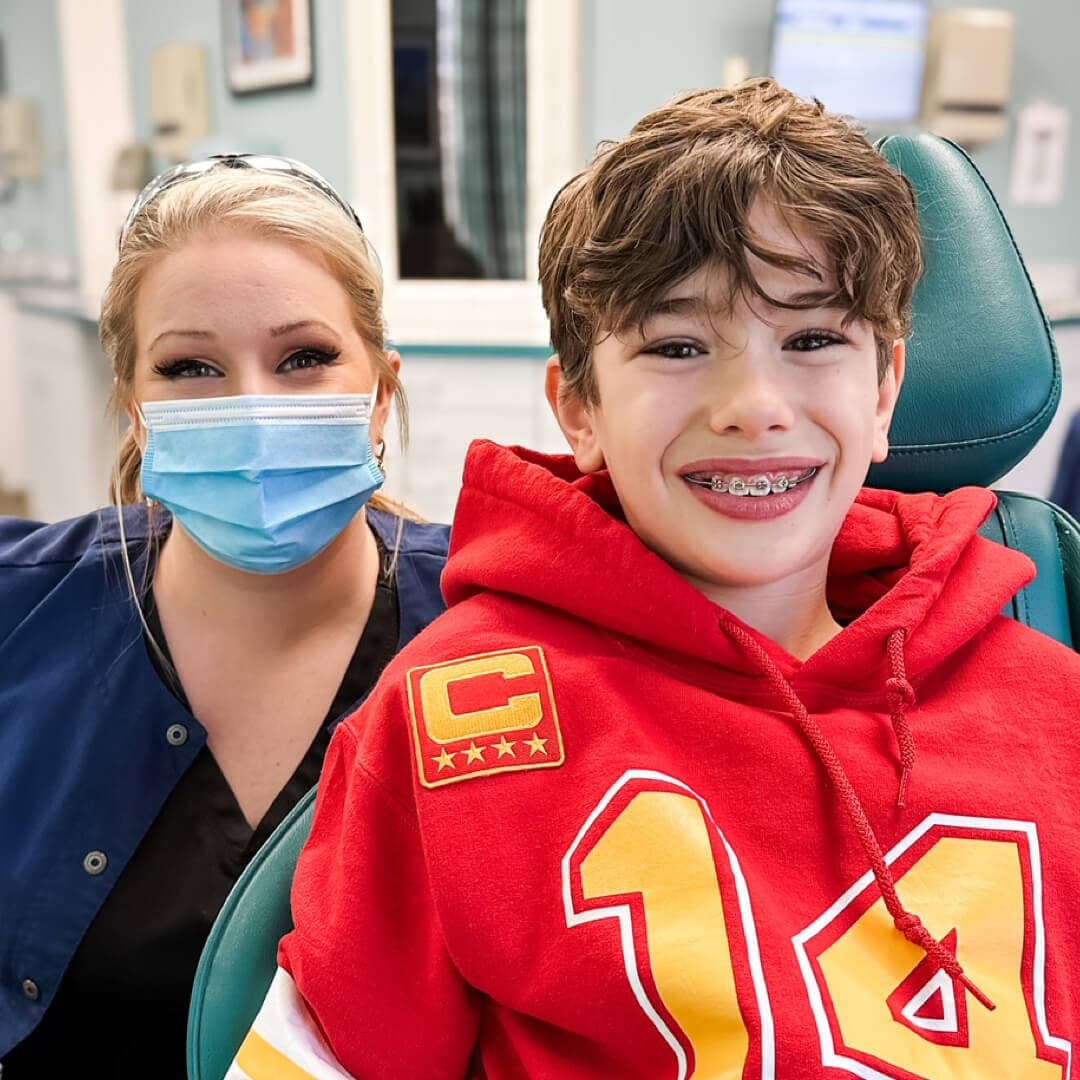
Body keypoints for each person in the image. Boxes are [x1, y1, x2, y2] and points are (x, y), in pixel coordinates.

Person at [232, 81, 1080, 1078]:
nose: (755, 405)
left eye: (812, 340)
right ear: (578, 408)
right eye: (678, 346)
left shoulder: (1053, 701)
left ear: (885, 386)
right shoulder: (455, 719)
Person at [0, 155, 449, 1076]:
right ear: (134, 411)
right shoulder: (21, 620)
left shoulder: (492, 636)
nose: (253, 405)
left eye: (305, 358)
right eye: (191, 366)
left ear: (382, 393)